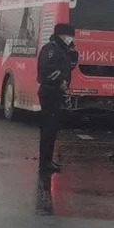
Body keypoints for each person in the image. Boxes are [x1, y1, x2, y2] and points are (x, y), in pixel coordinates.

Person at [36, 22, 78, 173]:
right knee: (48, 128)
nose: (70, 38)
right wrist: (60, 81)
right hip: (49, 91)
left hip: (56, 93)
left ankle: (48, 159)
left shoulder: (63, 50)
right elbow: (47, 70)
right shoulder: (51, 49)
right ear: (62, 35)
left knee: (53, 129)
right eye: (69, 35)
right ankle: (44, 161)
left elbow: (69, 66)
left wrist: (73, 53)